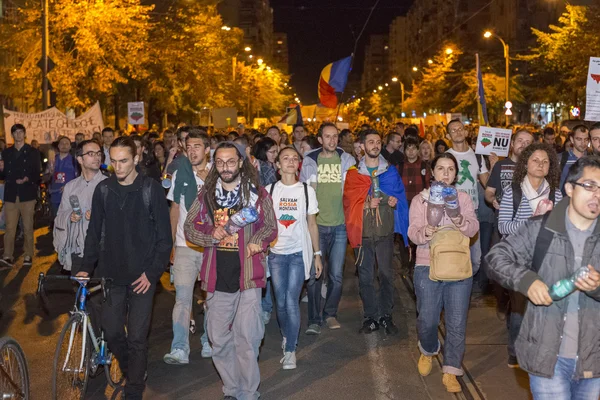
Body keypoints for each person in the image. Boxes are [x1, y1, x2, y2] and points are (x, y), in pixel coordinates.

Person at [486, 156, 600, 399]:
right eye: (589, 186)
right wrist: (527, 281)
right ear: (569, 188)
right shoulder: (541, 228)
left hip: (594, 359)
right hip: (548, 356)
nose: (597, 195)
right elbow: (496, 257)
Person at [78, 136, 172, 399]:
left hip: (142, 277)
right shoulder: (104, 190)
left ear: (136, 159)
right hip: (112, 276)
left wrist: (151, 274)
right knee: (112, 331)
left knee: (138, 338)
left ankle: (134, 388)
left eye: (123, 161)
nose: (117, 167)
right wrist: (87, 266)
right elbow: (94, 233)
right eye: (113, 161)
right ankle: (133, 370)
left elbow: (165, 239)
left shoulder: (151, 189)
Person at [183, 142, 277, 400]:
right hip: (217, 277)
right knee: (218, 338)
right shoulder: (206, 197)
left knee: (247, 339)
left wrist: (259, 240)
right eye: (221, 162)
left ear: (240, 163)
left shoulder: (257, 195)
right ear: (215, 164)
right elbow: (190, 227)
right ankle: (232, 387)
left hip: (248, 276)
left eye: (231, 162)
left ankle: (248, 392)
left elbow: (270, 225)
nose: (226, 167)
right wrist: (209, 233)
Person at [408, 153, 479, 393]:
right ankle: (428, 349)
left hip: (458, 266)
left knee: (456, 323)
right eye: (441, 168)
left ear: (456, 174)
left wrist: (458, 217)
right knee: (427, 319)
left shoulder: (463, 198)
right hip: (427, 265)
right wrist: (426, 231)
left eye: (450, 169)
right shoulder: (421, 200)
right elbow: (412, 232)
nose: (446, 173)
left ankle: (451, 369)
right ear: (432, 172)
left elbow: (472, 229)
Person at [497, 142, 562, 368]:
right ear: (525, 163)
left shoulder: (557, 193)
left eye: (545, 161)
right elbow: (503, 226)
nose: (540, 164)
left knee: (545, 304)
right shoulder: (513, 192)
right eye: (535, 160)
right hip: (519, 259)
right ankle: (515, 351)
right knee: (520, 307)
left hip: (547, 258)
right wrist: (533, 222)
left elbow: (562, 225)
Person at [343, 130, 409, 335]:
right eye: (370, 142)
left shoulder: (390, 172)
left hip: (384, 233)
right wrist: (365, 204)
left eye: (378, 142)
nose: (375, 145)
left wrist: (392, 200)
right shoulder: (354, 173)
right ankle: (370, 317)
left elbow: (398, 197)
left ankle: (386, 316)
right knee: (366, 278)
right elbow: (348, 203)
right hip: (363, 234)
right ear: (362, 146)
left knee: (387, 275)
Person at [266, 147, 322, 370]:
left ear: (299, 164)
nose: (290, 161)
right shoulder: (268, 191)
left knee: (291, 300)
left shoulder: (306, 191)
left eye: (294, 158)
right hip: (276, 255)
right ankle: (286, 334)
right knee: (280, 301)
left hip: (299, 253)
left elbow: (312, 224)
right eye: (285, 158)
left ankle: (290, 348)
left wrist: (317, 255)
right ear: (277, 165)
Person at [300, 122, 355, 333]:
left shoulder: (347, 160)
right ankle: (314, 319)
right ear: (320, 140)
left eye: (335, 136)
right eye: (327, 137)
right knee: (315, 275)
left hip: (340, 226)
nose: (332, 140)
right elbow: (303, 193)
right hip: (317, 226)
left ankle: (330, 313)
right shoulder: (309, 162)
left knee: (336, 275)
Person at [163, 129, 212, 365]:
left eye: (197, 146)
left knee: (212, 298)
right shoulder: (179, 173)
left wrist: (210, 180)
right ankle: (180, 348)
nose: (192, 151)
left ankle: (209, 341)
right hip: (185, 246)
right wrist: (171, 244)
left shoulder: (218, 173)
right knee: (182, 299)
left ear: (207, 149)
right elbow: (174, 210)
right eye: (189, 146)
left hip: (212, 247)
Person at [53, 140, 107, 274]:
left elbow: (120, 218)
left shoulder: (109, 185)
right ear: (80, 159)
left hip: (104, 252)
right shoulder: (71, 187)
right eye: (91, 153)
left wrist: (99, 216)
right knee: (78, 292)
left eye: (98, 153)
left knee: (101, 293)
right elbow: (59, 217)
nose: (97, 157)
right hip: (78, 251)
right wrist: (69, 217)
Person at [446, 119, 489, 283]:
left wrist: (492, 164)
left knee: (475, 258)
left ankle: (464, 286)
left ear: (466, 132)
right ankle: (458, 290)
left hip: (473, 213)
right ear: (448, 135)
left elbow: (487, 183)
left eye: (460, 129)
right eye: (453, 130)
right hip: (451, 213)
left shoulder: (477, 156)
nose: (457, 132)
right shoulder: (447, 157)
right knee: (455, 256)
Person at [0, 124, 41, 268]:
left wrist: (27, 178)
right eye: (15, 132)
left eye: (21, 132)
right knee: (10, 227)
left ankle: (28, 254)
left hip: (27, 194)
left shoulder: (32, 152)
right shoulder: (7, 152)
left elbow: (37, 172)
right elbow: (3, 175)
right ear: (12, 135)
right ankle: (7, 256)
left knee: (28, 226)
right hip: (11, 194)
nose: (18, 135)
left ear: (24, 134)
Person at [48, 136, 78, 219]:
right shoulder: (52, 159)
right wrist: (48, 171)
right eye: (62, 143)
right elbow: (46, 177)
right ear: (58, 146)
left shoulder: (74, 161)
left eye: (66, 143)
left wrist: (68, 186)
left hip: (70, 196)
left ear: (70, 146)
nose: (64, 145)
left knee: (70, 222)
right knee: (56, 221)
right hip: (55, 195)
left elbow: (79, 178)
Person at [559, 124, 589, 194]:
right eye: (579, 139)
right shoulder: (561, 158)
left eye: (586, 139)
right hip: (564, 201)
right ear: (572, 139)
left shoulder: (591, 159)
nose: (583, 143)